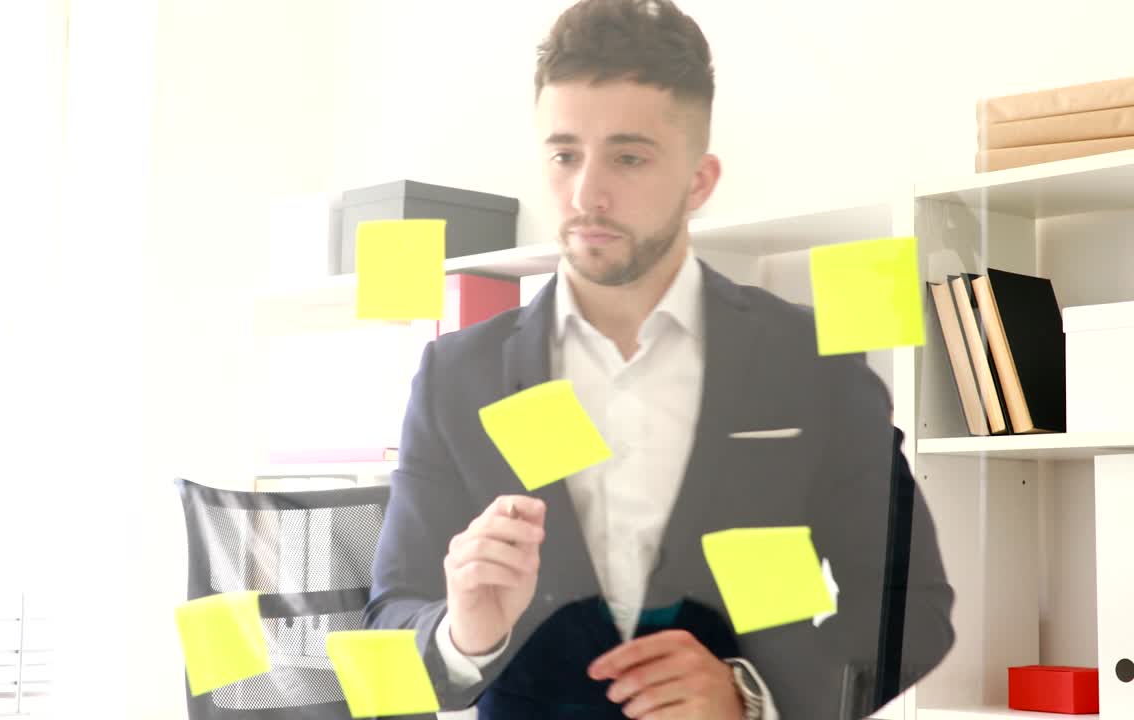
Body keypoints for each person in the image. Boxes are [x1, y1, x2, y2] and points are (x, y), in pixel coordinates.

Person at [365, 1, 955, 718]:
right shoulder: (457, 377)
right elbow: (390, 621)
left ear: (699, 181)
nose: (586, 193)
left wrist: (753, 696)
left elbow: (910, 608)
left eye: (629, 157)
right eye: (564, 155)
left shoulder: (812, 364)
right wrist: (463, 634)